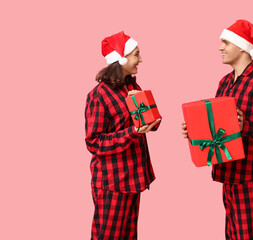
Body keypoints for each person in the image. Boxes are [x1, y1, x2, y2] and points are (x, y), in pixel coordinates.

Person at [182, 19, 253, 239]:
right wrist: (195, 130)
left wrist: (246, 127)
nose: (220, 47)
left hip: (252, 178)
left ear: (242, 46)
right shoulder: (225, 82)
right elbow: (220, 125)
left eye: (225, 42)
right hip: (229, 173)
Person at [85, 31, 161, 240]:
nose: (141, 59)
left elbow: (152, 124)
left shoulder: (132, 87)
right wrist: (132, 132)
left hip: (134, 178)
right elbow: (94, 142)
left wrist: (146, 109)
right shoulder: (99, 94)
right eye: (137, 54)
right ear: (122, 59)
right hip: (113, 182)